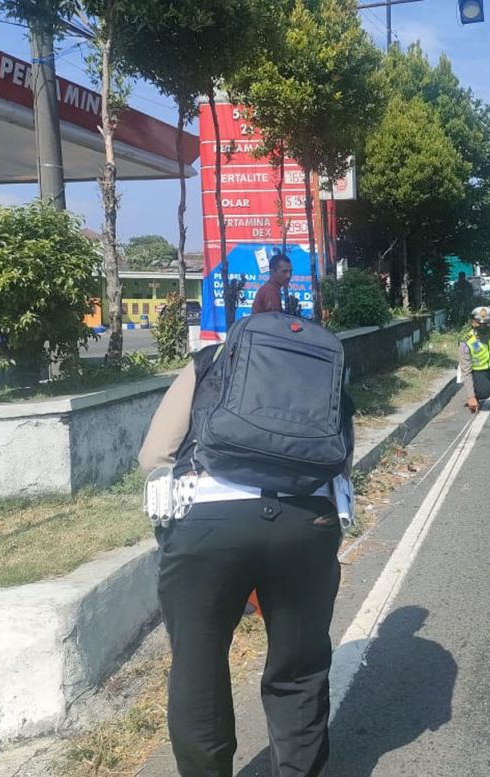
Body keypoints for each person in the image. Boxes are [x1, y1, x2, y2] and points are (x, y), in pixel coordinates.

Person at [138, 319, 350, 777]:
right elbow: (340, 454)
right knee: (299, 667)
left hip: (209, 524)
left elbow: (154, 454)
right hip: (305, 522)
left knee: (199, 663)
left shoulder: (209, 361)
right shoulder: (321, 365)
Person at [252, 251, 301, 316]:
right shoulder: (270, 291)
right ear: (272, 272)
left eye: (290, 272)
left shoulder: (272, 288)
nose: (288, 276)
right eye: (284, 271)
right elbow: (275, 321)